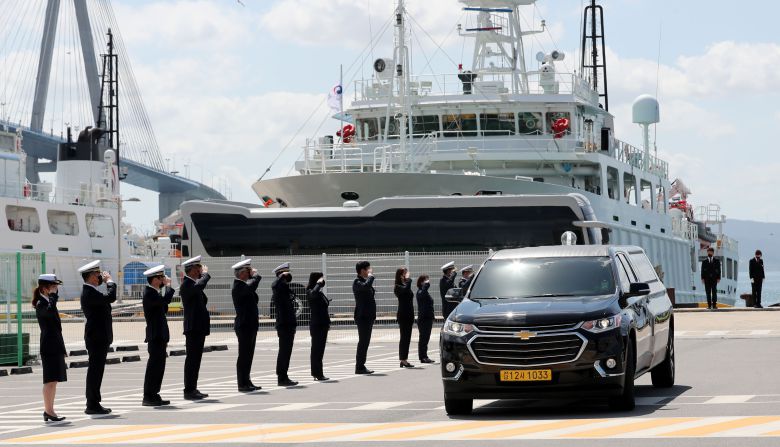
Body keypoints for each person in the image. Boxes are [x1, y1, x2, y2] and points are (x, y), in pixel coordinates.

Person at [78, 260, 116, 415]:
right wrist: (110, 282)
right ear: (91, 277)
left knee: (97, 370)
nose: (100, 277)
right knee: (95, 371)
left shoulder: (92, 291)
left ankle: (93, 402)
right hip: (96, 338)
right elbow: (111, 297)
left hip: (99, 337)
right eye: (97, 274)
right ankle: (92, 403)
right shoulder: (89, 292)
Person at [34, 274, 67, 422]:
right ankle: (48, 410)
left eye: (56, 286)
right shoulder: (42, 304)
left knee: (54, 380)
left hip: (55, 345)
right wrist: (53, 298)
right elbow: (48, 313)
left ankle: (50, 410)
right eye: (53, 287)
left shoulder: (48, 301)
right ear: (44, 288)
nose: (56, 289)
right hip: (48, 346)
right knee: (49, 380)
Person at [141, 265, 175, 407]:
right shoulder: (149, 293)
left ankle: (154, 393)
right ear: (154, 280)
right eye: (160, 278)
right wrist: (168, 287)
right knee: (154, 366)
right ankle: (148, 396)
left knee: (160, 366)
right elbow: (165, 302)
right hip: (155, 335)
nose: (163, 280)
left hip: (160, 334)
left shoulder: (155, 292)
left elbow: (164, 308)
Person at [179, 255, 211, 400]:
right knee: (192, 360)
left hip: (199, 327)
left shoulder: (193, 284)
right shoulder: (187, 284)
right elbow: (199, 285)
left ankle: (193, 388)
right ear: (192, 270)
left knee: (196, 359)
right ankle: (189, 390)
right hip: (193, 328)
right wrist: (205, 275)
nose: (200, 270)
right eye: (198, 268)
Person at [231, 259, 262, 392]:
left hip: (250, 324)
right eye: (248, 271)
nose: (250, 273)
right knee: (243, 355)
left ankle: (247, 380)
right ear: (242, 273)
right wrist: (256, 276)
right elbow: (251, 287)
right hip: (244, 325)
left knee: (249, 354)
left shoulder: (244, 285)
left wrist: (253, 278)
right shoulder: (238, 286)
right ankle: (241, 383)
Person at [272, 263, 298, 387]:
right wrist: (280, 277)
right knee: (284, 351)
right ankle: (281, 377)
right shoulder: (277, 286)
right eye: (285, 274)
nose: (288, 277)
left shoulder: (284, 287)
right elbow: (275, 284)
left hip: (289, 324)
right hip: (284, 324)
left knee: (287, 352)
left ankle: (284, 376)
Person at [306, 272, 331, 381]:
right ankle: (317, 373)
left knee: (320, 350)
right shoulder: (311, 291)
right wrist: (318, 284)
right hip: (317, 325)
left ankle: (318, 372)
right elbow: (313, 294)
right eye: (320, 279)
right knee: (316, 350)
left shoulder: (319, 292)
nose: (322, 281)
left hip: (323, 324)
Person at [353, 260, 376, 374]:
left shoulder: (364, 281)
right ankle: (359, 366)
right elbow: (366, 287)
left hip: (368, 316)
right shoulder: (357, 282)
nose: (370, 271)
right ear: (362, 270)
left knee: (365, 341)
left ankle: (361, 365)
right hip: (362, 317)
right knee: (363, 341)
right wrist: (371, 277)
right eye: (368, 269)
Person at [394, 268, 414, 368]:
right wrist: (408, 280)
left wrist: (407, 281)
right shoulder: (397, 287)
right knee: (404, 338)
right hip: (403, 315)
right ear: (400, 275)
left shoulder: (405, 285)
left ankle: (404, 358)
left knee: (408, 337)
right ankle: (403, 359)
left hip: (409, 314)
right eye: (404, 274)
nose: (406, 275)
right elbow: (405, 291)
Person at [416, 275, 436, 364]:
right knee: (423, 339)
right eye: (425, 280)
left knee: (426, 338)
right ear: (421, 282)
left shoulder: (425, 292)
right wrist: (426, 285)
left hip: (428, 318)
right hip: (423, 319)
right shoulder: (420, 292)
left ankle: (424, 356)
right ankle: (423, 357)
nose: (427, 282)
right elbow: (422, 294)